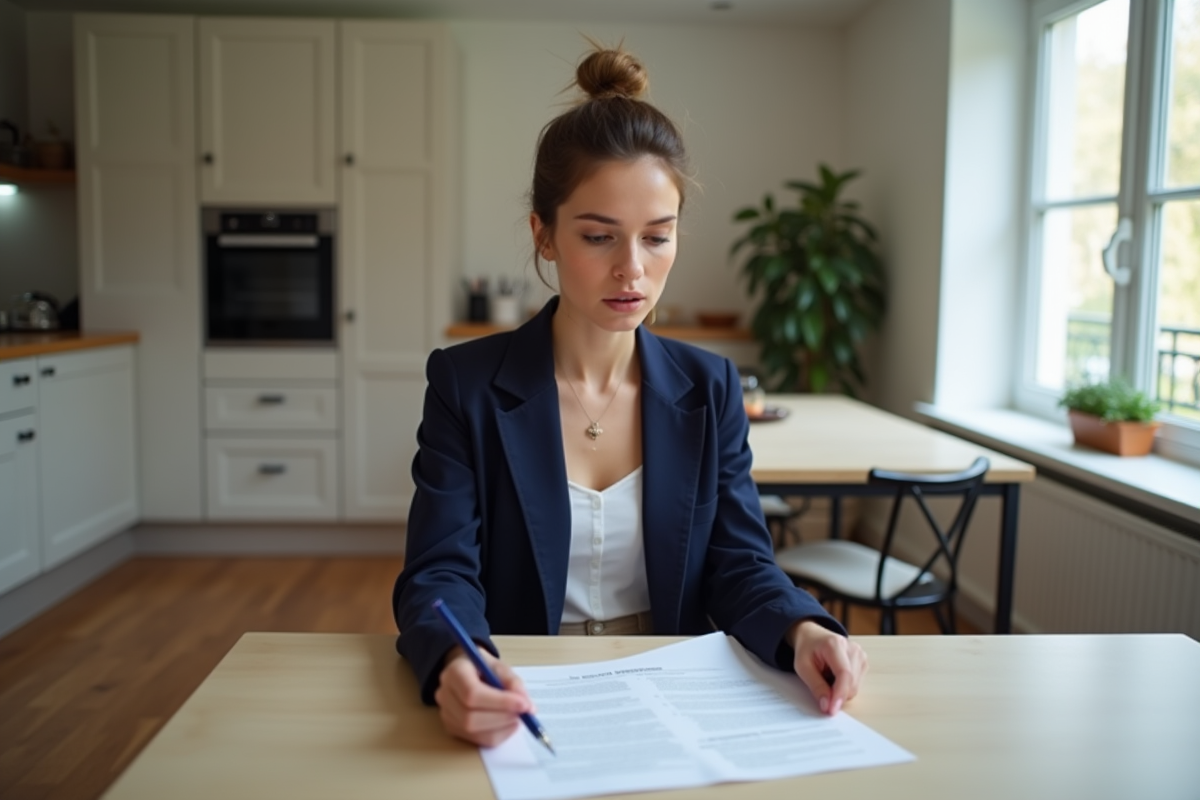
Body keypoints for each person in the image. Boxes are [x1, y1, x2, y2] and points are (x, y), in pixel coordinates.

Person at [393, 44, 867, 748]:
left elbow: (740, 563)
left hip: (674, 695)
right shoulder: (465, 386)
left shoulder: (710, 389)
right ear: (543, 235)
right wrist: (458, 661)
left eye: (657, 237)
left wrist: (801, 628)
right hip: (525, 696)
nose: (632, 271)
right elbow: (438, 575)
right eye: (598, 236)